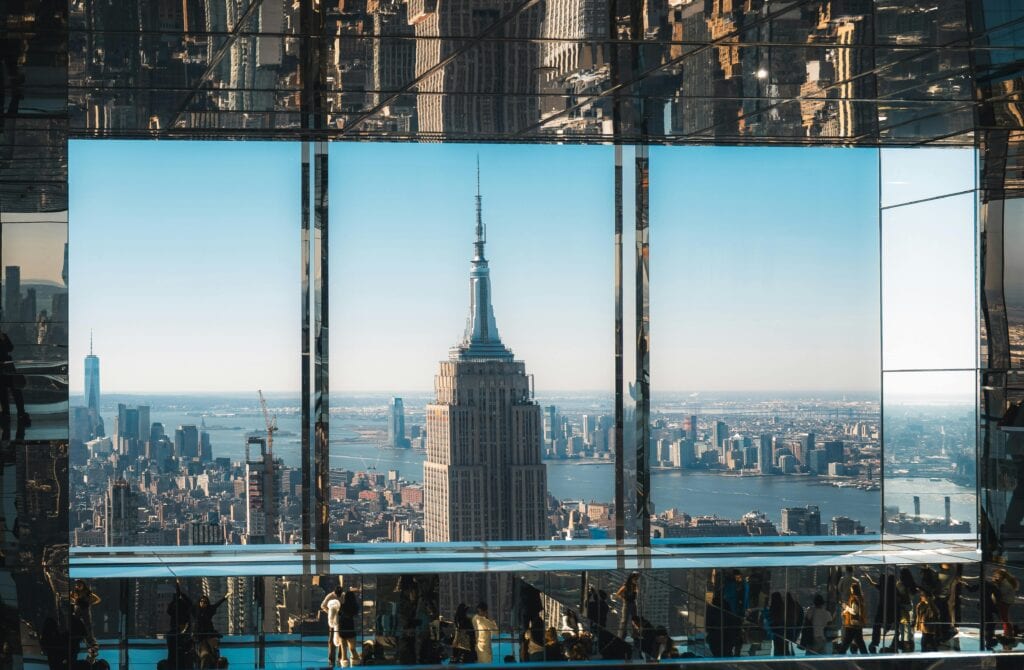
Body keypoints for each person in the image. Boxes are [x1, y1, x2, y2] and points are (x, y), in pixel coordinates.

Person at [861, 569, 896, 653]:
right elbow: (873, 583)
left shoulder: (885, 587)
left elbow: (873, 584)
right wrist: (868, 578)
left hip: (885, 608)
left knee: (878, 624)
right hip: (888, 608)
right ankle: (876, 642)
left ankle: (875, 642)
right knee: (880, 624)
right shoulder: (889, 588)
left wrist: (868, 578)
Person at [195, 594, 227, 669]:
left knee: (213, 648)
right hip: (200, 636)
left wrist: (225, 597)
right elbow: (188, 603)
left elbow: (217, 605)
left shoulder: (209, 610)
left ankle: (215, 658)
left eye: (205, 602)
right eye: (202, 601)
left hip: (209, 634)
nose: (203, 603)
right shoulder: (196, 611)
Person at [991, 567, 1019, 650]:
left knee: (1004, 618)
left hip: (1005, 601)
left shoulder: (1005, 584)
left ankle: (1008, 633)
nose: (996, 577)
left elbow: (1000, 593)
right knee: (1004, 618)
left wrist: (996, 585)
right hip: (1007, 601)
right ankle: (1007, 632)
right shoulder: (1005, 582)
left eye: (997, 575)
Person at [70, 580, 101, 654]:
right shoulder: (75, 592)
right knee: (78, 626)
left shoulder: (87, 592)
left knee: (88, 627)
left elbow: (98, 599)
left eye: (79, 584)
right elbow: (71, 597)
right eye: (77, 584)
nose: (78, 585)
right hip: (78, 610)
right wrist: (75, 601)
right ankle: (89, 644)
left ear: (83, 585)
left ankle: (92, 644)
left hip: (85, 611)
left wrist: (89, 603)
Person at [838, 582, 868, 654]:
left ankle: (839, 657)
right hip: (858, 624)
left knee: (846, 643)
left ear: (853, 590)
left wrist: (846, 607)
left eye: (851, 589)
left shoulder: (854, 599)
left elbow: (854, 611)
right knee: (860, 643)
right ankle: (866, 658)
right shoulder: (860, 599)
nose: (851, 591)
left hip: (852, 625)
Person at [895, 568, 918, 652]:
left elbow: (898, 596)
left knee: (904, 629)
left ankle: (906, 647)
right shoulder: (911, 585)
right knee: (909, 629)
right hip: (909, 607)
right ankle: (909, 647)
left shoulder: (900, 584)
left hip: (903, 608)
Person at [321, 586, 343, 668]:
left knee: (342, 639)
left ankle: (340, 658)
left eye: (340, 594)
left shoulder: (343, 595)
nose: (339, 595)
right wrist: (330, 612)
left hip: (341, 620)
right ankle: (331, 660)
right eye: (338, 594)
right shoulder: (330, 596)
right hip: (333, 620)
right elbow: (322, 606)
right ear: (335, 592)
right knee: (331, 640)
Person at [338, 589, 361, 667]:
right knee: (352, 649)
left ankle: (344, 666)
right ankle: (356, 664)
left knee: (343, 651)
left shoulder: (342, 605)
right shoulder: (355, 607)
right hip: (350, 628)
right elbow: (356, 615)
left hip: (342, 628)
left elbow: (338, 614)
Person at [615, 573, 639, 641]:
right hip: (627, 604)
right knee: (624, 620)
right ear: (632, 578)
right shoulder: (626, 586)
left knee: (634, 620)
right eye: (635, 578)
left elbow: (635, 595)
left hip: (633, 603)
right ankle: (622, 635)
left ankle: (635, 634)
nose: (636, 580)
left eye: (636, 579)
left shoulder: (635, 586)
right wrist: (624, 598)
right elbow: (618, 594)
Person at [763, 591, 787, 657]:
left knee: (777, 648)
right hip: (781, 630)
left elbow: (767, 616)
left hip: (776, 630)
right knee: (782, 647)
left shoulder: (773, 607)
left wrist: (765, 606)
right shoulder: (783, 606)